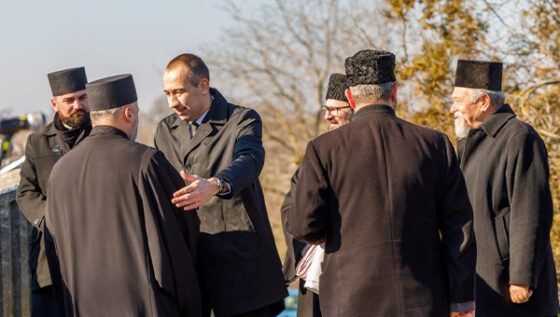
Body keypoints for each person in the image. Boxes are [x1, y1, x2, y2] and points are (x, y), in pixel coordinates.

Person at [286, 49, 477, 317]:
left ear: (350, 97)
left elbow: (304, 226)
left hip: (349, 302)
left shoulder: (323, 149)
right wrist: (461, 298)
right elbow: (460, 228)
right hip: (424, 301)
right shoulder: (435, 144)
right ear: (394, 92)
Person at [44, 74, 201, 316]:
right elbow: (180, 240)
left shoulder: (59, 172)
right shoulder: (147, 162)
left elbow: (55, 254)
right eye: (136, 113)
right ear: (129, 114)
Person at [154, 53, 287, 317]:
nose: (172, 103)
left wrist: (216, 185)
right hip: (191, 265)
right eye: (167, 93)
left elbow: (249, 160)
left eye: (179, 92)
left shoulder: (242, 119)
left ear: (203, 86)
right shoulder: (164, 130)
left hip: (240, 265)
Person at [451, 59, 559, 317]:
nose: (453, 108)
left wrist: (522, 277)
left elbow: (531, 209)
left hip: (512, 284)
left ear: (484, 102)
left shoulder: (519, 137)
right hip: (482, 279)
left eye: (458, 100)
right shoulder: (471, 144)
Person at [16, 67, 91, 317]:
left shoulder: (103, 135)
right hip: (49, 258)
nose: (77, 105)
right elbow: (26, 192)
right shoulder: (38, 141)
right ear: (55, 103)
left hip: (95, 254)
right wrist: (51, 220)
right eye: (68, 101)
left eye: (82, 97)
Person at [281, 73, 352, 317]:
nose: (327, 116)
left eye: (335, 109)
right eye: (325, 108)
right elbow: (291, 206)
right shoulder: (317, 152)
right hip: (313, 269)